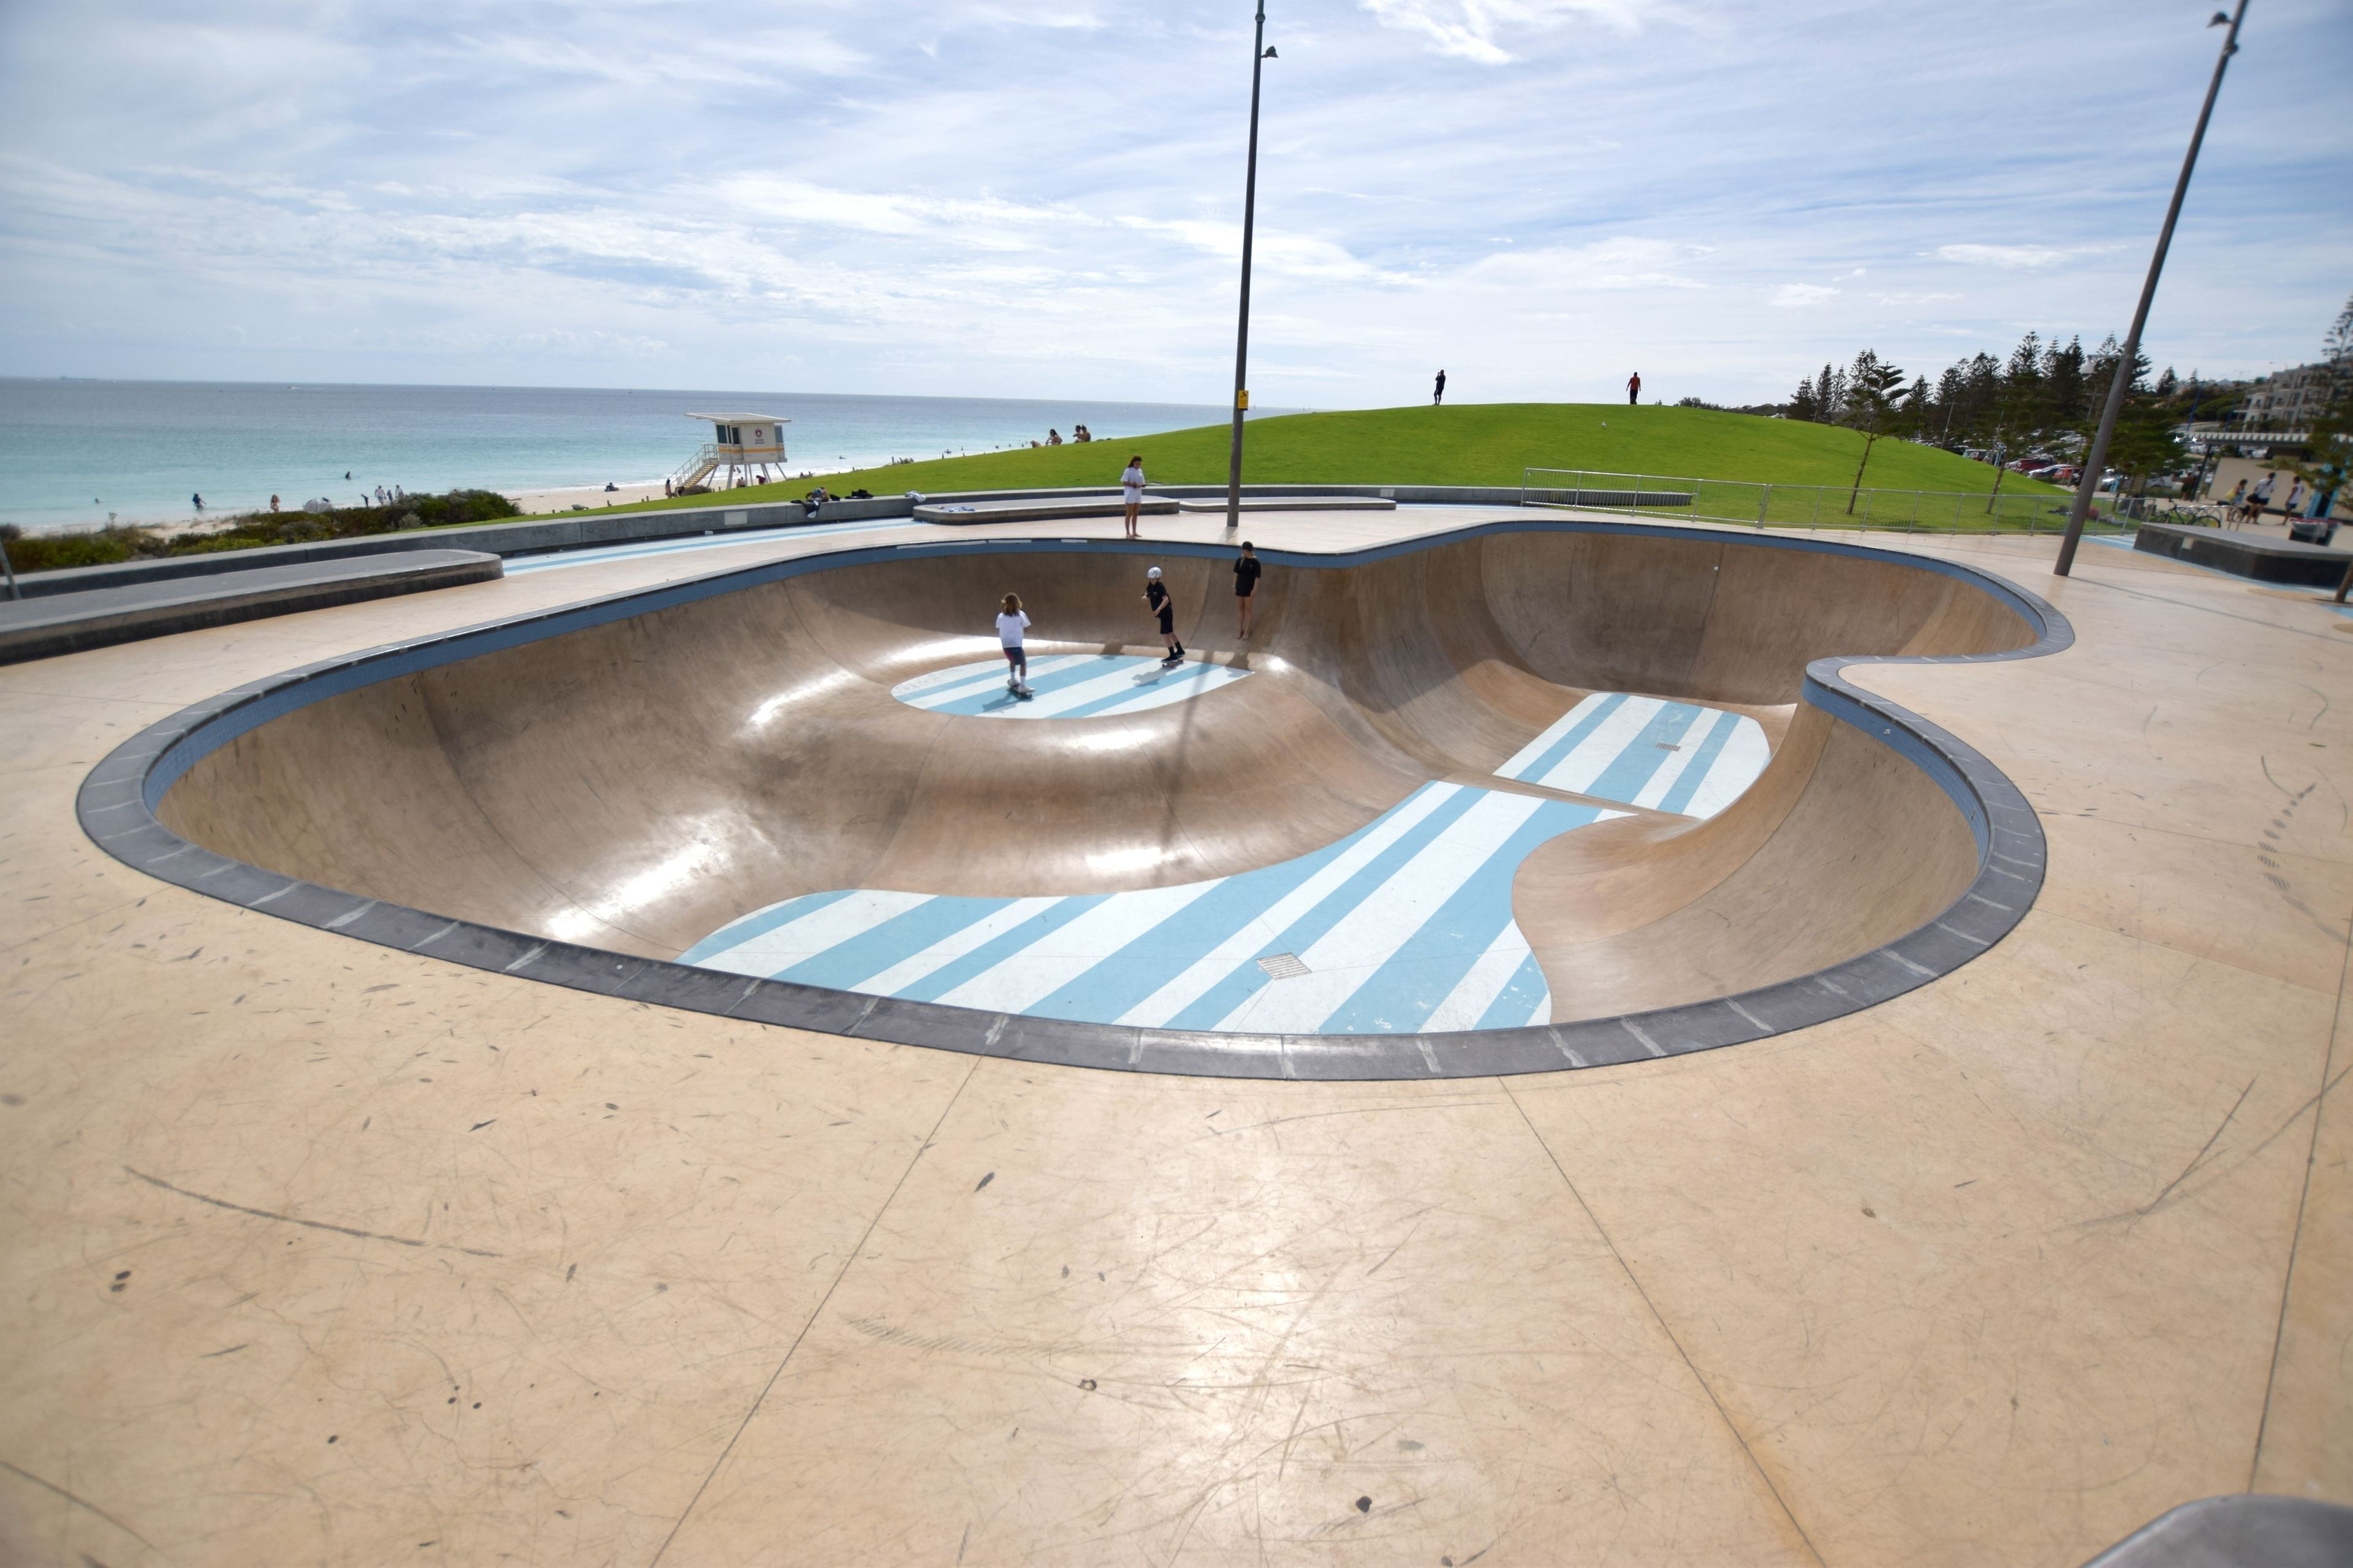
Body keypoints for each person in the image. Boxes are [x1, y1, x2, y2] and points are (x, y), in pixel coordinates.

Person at [1144, 566, 1183, 665]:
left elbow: (1166, 600)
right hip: (1163, 614)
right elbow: (1148, 591)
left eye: (1153, 579)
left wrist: (1158, 610)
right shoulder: (1151, 585)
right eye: (1150, 579)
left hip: (1166, 613)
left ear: (1158, 578)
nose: (1151, 580)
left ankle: (1172, 655)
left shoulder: (1160, 586)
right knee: (1170, 632)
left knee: (1164, 634)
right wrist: (1145, 596)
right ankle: (1180, 650)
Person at [997, 593, 1033, 696]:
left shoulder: (1001, 616)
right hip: (1016, 644)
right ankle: (1022, 686)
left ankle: (1013, 680)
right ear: (1018, 603)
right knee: (1023, 664)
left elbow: (999, 627)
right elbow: (1027, 629)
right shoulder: (1021, 614)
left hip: (1005, 645)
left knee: (1012, 660)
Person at [1233, 540, 1262, 638]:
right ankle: (1239, 629)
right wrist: (1234, 586)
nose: (1243, 551)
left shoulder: (1256, 562)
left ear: (1249, 550)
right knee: (1240, 608)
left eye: (1245, 550)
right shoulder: (1240, 560)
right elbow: (1236, 574)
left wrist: (1254, 589)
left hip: (1249, 589)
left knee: (1248, 609)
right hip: (1240, 587)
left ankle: (1247, 631)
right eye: (1243, 549)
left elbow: (1257, 578)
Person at [1120, 454, 1147, 539]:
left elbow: (1142, 482)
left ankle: (1134, 532)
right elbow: (1124, 483)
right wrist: (1134, 485)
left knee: (1136, 514)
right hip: (1130, 494)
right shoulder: (1128, 470)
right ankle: (1128, 533)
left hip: (1138, 494)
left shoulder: (1140, 471)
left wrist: (1142, 485)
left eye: (1140, 464)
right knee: (1129, 514)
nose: (1138, 466)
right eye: (1137, 464)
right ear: (1133, 463)